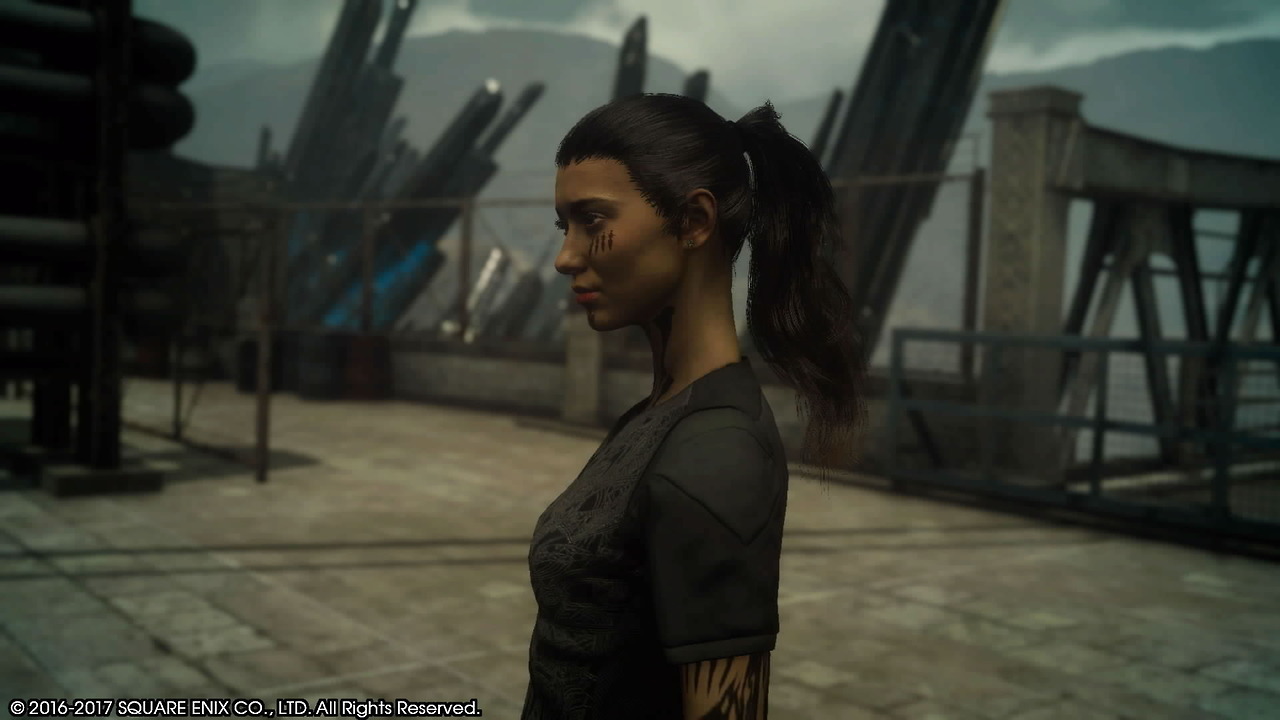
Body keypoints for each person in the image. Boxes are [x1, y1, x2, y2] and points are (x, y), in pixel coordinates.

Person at [522, 93, 866, 719]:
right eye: (563, 227)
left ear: (693, 222)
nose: (566, 257)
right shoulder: (659, 414)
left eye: (593, 221)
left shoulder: (717, 454)